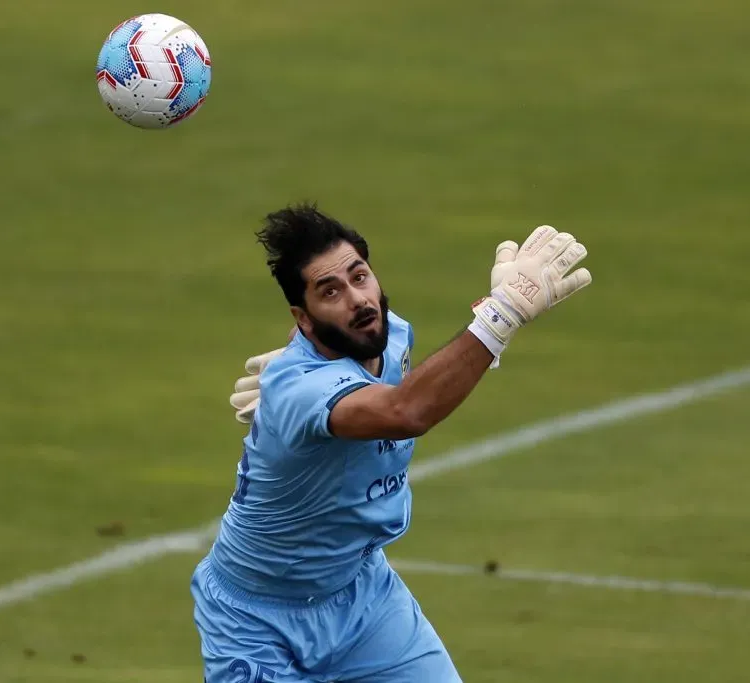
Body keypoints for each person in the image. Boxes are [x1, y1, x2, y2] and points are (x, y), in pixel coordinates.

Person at [192, 203, 592, 682]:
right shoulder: (299, 390)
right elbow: (408, 411)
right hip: (258, 621)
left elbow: (419, 388)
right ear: (303, 319)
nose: (357, 300)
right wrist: (502, 314)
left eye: (359, 277)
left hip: (364, 599)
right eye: (330, 292)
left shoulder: (392, 333)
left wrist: (487, 325)